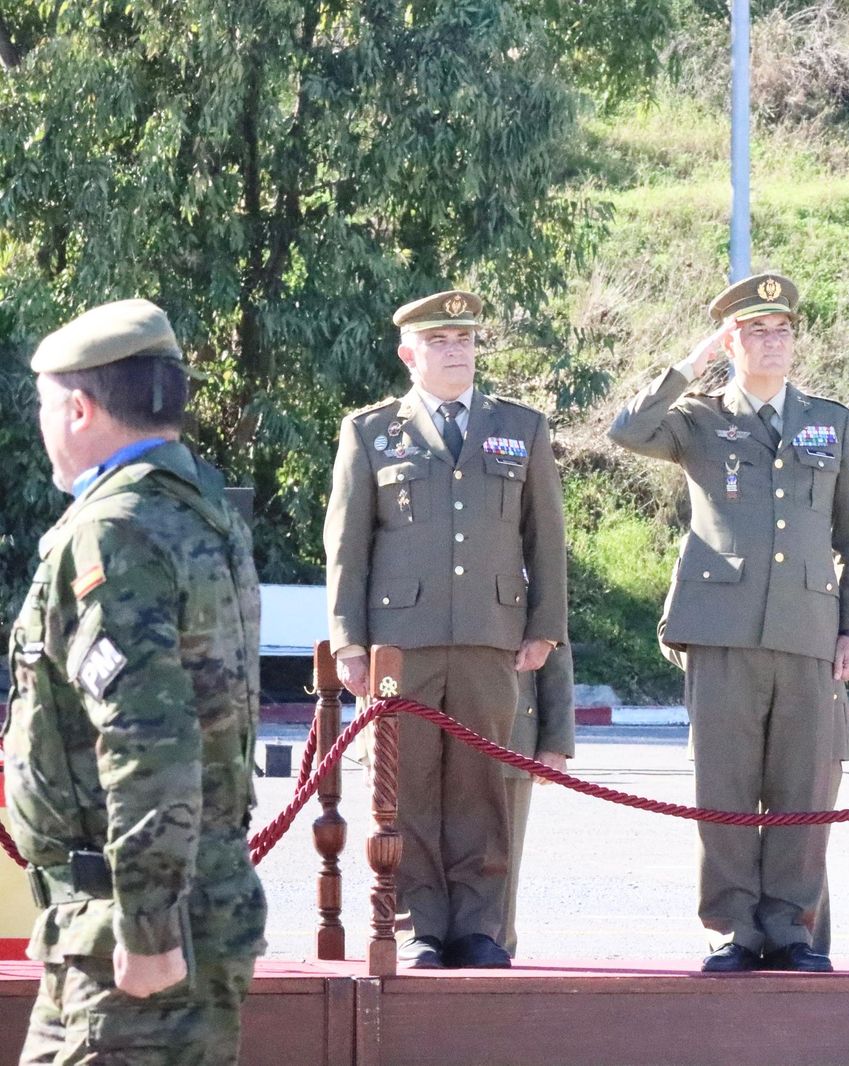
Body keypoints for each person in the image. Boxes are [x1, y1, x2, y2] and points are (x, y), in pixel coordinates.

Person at [7, 299, 266, 1064]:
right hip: (180, 902)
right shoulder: (197, 509)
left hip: (133, 926)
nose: (45, 424)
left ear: (81, 408)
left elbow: (147, 738)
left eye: (49, 405)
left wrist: (147, 928)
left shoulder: (111, 531)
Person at [608, 272, 849, 973]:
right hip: (721, 627)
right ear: (731, 340)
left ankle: (790, 925)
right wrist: (690, 366)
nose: (774, 341)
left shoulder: (830, 420)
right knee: (723, 786)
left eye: (783, 329)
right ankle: (733, 927)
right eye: (756, 330)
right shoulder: (699, 417)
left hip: (809, 630)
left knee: (804, 785)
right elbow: (627, 430)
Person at [324, 289, 568, 969]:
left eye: (463, 339)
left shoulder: (521, 428)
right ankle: (419, 927)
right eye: (438, 342)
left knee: (482, 786)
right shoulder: (371, 432)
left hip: (494, 635)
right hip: (400, 643)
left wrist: (546, 628)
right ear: (409, 354)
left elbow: (545, 539)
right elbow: (346, 546)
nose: (455, 351)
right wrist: (348, 639)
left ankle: (480, 927)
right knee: (407, 788)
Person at [502, 643, 577, 956]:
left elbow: (551, 631)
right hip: (414, 723)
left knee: (496, 868)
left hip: (510, 729)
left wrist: (555, 739)